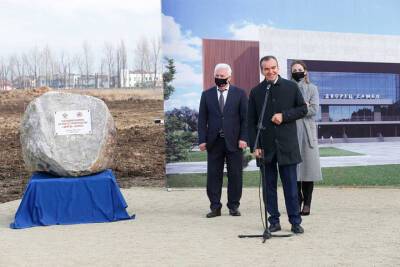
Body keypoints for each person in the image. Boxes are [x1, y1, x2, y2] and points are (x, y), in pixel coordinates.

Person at [247, 56, 307, 234]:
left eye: (273, 68)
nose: (271, 71)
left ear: (278, 68)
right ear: (261, 71)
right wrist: (254, 146)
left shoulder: (291, 87)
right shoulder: (256, 91)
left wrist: (284, 116)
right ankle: (274, 221)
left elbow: (303, 109)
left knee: (290, 187)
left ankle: (295, 221)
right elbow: (250, 122)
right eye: (266, 69)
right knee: (268, 188)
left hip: (287, 146)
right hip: (265, 147)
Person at [198, 63, 248, 218]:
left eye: (222, 76)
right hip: (214, 142)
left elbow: (245, 119)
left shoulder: (240, 94)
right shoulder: (206, 95)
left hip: (234, 142)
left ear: (229, 77)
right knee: (213, 176)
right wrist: (202, 139)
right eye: (217, 76)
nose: (219, 79)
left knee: (235, 175)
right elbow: (202, 120)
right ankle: (215, 207)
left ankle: (233, 206)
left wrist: (244, 138)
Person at [290, 60, 322, 216]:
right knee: (293, 171)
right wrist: (304, 106)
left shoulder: (312, 88)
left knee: (309, 170)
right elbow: (285, 110)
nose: (297, 71)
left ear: (305, 71)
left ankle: (307, 203)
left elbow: (314, 110)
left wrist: (299, 108)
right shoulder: (287, 88)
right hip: (291, 133)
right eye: (294, 69)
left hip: (308, 134)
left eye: (299, 69)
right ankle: (297, 201)